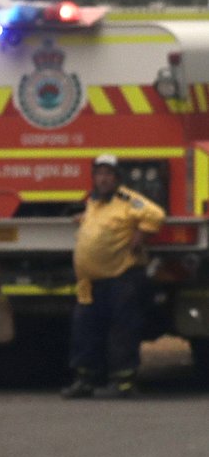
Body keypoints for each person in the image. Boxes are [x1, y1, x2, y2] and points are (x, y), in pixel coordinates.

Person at [61, 154, 165, 399]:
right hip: (90, 282)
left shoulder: (127, 199)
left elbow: (156, 215)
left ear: (118, 178)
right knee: (84, 329)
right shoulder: (94, 202)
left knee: (123, 329)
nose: (103, 178)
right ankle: (85, 380)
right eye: (99, 173)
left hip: (122, 278)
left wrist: (140, 237)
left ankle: (124, 383)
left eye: (108, 174)